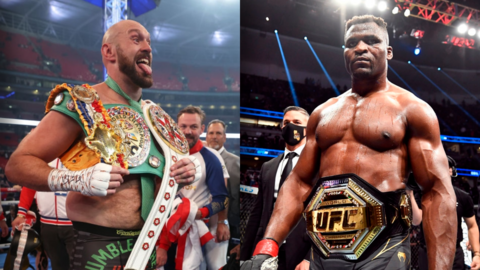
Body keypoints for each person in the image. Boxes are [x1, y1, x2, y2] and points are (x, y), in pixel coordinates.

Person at [241, 15, 456, 270]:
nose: (361, 48)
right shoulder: (323, 113)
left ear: (388, 52)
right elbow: (298, 183)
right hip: (323, 250)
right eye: (352, 42)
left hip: (383, 247)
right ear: (344, 52)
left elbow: (436, 192)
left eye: (371, 41)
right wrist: (269, 244)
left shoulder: (413, 109)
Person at [5, 20, 200, 269]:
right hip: (95, 241)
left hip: (147, 244)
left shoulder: (154, 116)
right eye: (136, 39)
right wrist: (77, 179)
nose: (148, 48)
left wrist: (180, 175)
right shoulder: (82, 103)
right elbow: (17, 165)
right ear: (109, 52)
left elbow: (154, 182)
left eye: (149, 42)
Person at [156, 106, 229, 270]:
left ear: (202, 129)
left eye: (193, 127)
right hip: (162, 227)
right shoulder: (164, 154)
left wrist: (200, 213)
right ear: (176, 126)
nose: (188, 131)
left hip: (193, 231)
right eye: (183, 126)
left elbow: (222, 199)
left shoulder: (211, 159)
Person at [241, 106, 311, 270]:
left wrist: (310, 258)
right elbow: (257, 213)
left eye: (296, 122)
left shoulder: (316, 165)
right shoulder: (268, 167)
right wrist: (245, 254)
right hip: (266, 249)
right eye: (286, 122)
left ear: (308, 129)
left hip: (301, 251)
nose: (290, 126)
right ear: (281, 127)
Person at [411, 156, 480, 270]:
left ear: (451, 171)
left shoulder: (463, 196)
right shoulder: (422, 195)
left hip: (454, 254)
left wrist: (477, 254)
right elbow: (416, 220)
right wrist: (410, 194)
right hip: (428, 252)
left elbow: (472, 225)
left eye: (444, 166)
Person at [11, 159, 75, 270]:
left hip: (76, 223)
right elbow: (30, 184)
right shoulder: (41, 155)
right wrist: (21, 213)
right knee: (58, 265)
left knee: (81, 264)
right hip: (47, 223)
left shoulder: (83, 151)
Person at [206, 119, 241, 251]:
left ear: (225, 137)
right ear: (207, 135)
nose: (214, 136)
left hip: (226, 227)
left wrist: (231, 226)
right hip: (200, 222)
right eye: (211, 133)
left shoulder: (235, 162)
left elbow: (236, 198)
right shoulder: (197, 159)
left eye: (218, 133)